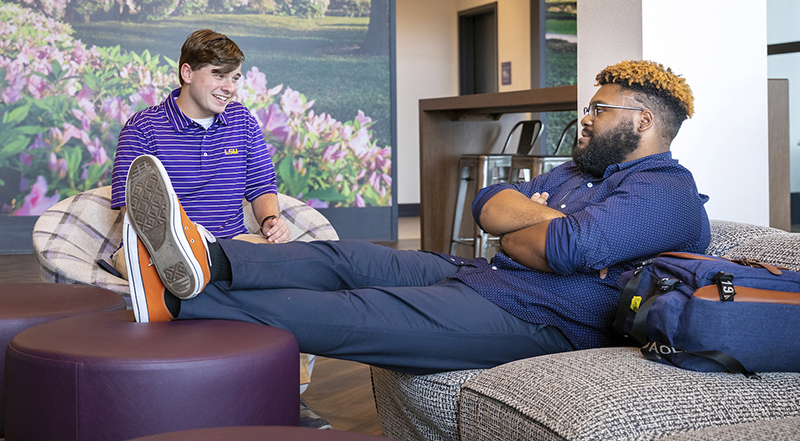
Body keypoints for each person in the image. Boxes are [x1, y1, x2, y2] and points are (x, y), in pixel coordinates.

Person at [123, 60, 710, 375]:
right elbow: (490, 205)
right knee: (345, 257)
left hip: (541, 320)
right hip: (480, 275)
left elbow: (565, 250)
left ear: (643, 122)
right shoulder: (583, 175)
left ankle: (176, 298)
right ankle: (205, 255)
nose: (585, 118)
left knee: (349, 312)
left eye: (599, 109)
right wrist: (532, 223)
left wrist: (528, 230)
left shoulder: (667, 192)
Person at [111, 29, 328, 428]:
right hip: (157, 244)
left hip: (228, 241)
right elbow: (130, 208)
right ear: (187, 72)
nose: (229, 87)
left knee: (288, 279)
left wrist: (270, 220)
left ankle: (288, 397)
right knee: (136, 256)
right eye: (219, 75)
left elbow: (261, 185)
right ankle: (183, 261)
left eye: (236, 77)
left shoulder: (242, 121)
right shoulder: (143, 127)